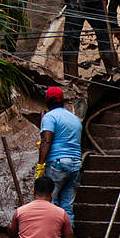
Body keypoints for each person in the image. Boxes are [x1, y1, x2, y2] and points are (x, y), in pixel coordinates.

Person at [36, 85, 83, 226]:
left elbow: (46, 140)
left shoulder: (50, 117)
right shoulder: (74, 118)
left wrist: (40, 165)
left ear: (48, 101)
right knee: (67, 206)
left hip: (58, 164)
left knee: (50, 202)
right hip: (76, 164)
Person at [9, 175, 75, 238]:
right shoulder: (61, 214)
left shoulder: (20, 211)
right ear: (52, 194)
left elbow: (11, 233)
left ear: (33, 191)